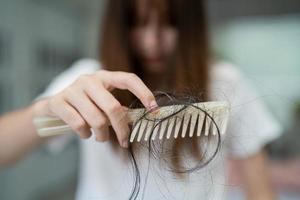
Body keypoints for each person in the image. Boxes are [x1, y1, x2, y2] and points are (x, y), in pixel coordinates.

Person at [0, 0, 282, 199]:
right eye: (137, 23)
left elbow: (261, 193)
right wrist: (46, 109)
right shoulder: (87, 79)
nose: (152, 41)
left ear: (192, 27)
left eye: (170, 23)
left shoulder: (227, 82)